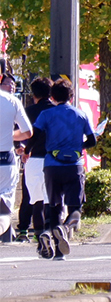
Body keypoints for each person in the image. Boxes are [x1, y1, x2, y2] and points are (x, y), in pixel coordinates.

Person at [31, 79, 95, 260]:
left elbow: (35, 136)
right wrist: (78, 147)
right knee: (75, 207)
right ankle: (64, 229)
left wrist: (26, 150)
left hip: (52, 165)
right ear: (71, 97)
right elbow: (92, 141)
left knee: (54, 206)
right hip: (74, 166)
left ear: (52, 97)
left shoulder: (46, 114)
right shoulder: (81, 115)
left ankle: (52, 240)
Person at [15, 78, 53, 243]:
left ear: (33, 94)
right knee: (50, 197)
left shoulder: (28, 111)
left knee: (30, 196)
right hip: (53, 159)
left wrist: (21, 147)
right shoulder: (56, 111)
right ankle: (47, 229)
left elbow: (18, 132)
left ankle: (24, 229)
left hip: (32, 158)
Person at [0, 73, 33, 236]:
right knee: (4, 206)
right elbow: (27, 132)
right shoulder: (11, 101)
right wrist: (9, 135)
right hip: (5, 158)